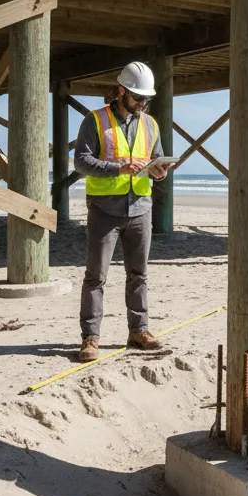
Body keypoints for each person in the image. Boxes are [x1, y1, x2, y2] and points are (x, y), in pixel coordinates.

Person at [73, 61, 174, 362]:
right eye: (138, 98)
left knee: (139, 274)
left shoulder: (151, 124)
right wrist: (119, 168)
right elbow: (81, 162)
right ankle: (90, 339)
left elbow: (156, 160)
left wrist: (161, 171)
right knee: (96, 277)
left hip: (141, 209)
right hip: (105, 210)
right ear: (121, 92)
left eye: (147, 99)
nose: (143, 104)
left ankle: (138, 331)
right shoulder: (95, 120)